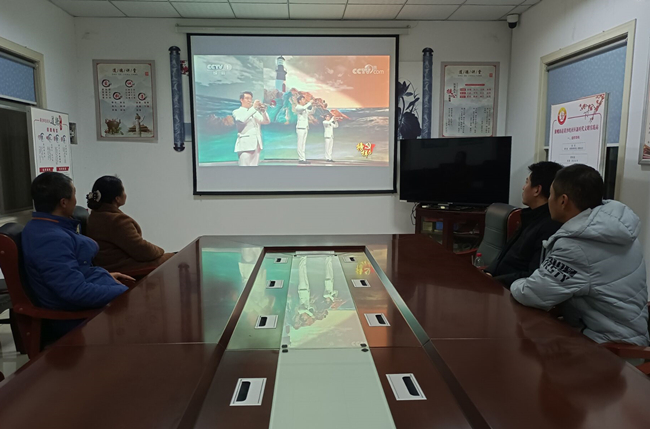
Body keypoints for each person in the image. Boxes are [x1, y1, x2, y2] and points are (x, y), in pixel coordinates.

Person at [511, 164, 649, 346]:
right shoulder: (614, 228)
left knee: (522, 349)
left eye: (551, 194)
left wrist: (515, 283)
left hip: (610, 348)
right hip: (626, 334)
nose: (549, 200)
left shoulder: (576, 246)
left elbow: (532, 294)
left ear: (563, 201)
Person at [21, 172, 132, 344]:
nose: (76, 200)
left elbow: (73, 272)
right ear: (63, 202)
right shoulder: (50, 238)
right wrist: (126, 293)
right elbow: (74, 292)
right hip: (74, 318)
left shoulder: (45, 227)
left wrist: (104, 275)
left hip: (85, 302)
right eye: (73, 194)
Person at [485, 161, 563, 288]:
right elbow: (504, 255)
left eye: (527, 182)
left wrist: (494, 281)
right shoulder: (529, 216)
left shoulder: (549, 226)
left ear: (537, 190)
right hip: (497, 283)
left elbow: (533, 275)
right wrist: (488, 272)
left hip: (512, 290)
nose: (523, 187)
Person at [86, 176, 174, 272]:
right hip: (126, 268)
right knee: (176, 258)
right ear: (117, 198)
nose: (125, 194)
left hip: (108, 267)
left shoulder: (94, 216)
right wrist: (161, 250)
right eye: (123, 191)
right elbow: (143, 251)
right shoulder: (117, 221)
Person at [232, 91, 270, 166]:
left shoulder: (254, 112)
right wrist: (254, 108)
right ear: (241, 100)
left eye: (251, 98)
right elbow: (242, 120)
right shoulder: (236, 111)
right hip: (245, 145)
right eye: (247, 98)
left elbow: (266, 121)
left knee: (254, 169)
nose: (249, 100)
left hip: (257, 144)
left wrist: (263, 111)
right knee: (244, 168)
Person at [295, 95, 313, 164]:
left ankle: (303, 158)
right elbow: (303, 108)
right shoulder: (298, 107)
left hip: (305, 127)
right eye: (303, 99)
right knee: (300, 144)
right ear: (299, 101)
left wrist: (314, 106)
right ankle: (301, 159)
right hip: (300, 128)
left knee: (303, 144)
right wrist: (310, 103)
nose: (304, 101)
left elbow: (311, 112)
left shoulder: (304, 108)